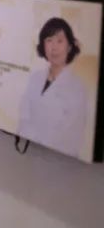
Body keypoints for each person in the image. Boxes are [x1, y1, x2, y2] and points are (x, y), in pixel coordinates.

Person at [18, 17, 89, 157]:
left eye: (59, 41)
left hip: (59, 158)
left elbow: (71, 134)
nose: (54, 47)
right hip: (30, 150)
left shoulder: (77, 88)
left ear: (70, 46)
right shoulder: (35, 78)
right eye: (49, 40)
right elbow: (23, 117)